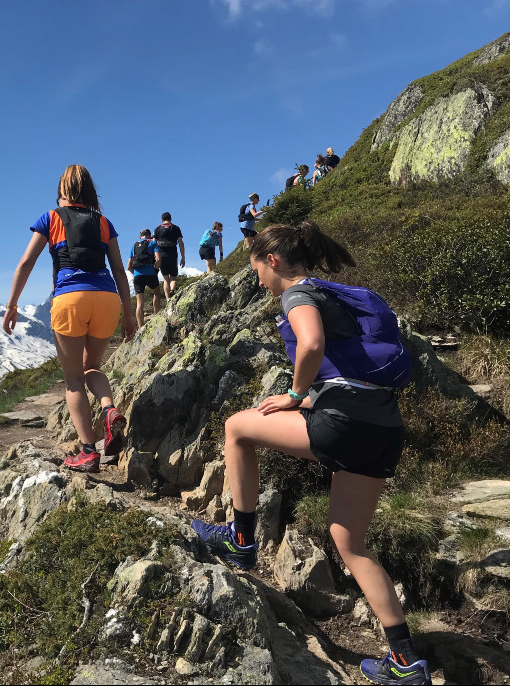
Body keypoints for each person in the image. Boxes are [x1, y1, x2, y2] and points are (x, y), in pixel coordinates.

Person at [190, 221, 430, 686]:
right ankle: (404, 660)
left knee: (236, 428)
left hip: (343, 420)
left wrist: (296, 394)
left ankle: (240, 540)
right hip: (384, 426)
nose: (259, 280)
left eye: (257, 270)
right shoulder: (333, 293)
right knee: (349, 541)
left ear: (272, 261)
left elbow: (312, 342)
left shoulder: (297, 294)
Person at [3, 164, 136, 474]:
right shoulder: (103, 222)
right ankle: (108, 408)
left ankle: (88, 452)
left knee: (74, 379)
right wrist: (128, 313)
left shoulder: (50, 218)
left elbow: (26, 263)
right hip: (106, 299)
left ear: (62, 191)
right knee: (93, 367)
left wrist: (12, 304)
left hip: (70, 299)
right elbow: (119, 270)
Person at [127, 228, 163, 329]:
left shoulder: (134, 245)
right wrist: (156, 269)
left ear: (140, 236)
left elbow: (129, 266)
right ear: (150, 235)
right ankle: (156, 317)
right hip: (150, 274)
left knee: (139, 303)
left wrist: (135, 274)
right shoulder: (152, 243)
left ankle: (140, 328)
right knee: (157, 293)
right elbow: (158, 259)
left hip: (137, 276)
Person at [154, 212, 185, 300]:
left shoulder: (157, 229)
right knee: (173, 277)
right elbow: (181, 243)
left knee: (165, 278)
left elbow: (153, 243)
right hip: (172, 254)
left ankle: (168, 299)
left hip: (161, 255)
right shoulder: (175, 228)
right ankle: (172, 290)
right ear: (171, 219)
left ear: (162, 220)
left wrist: (155, 258)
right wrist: (183, 257)